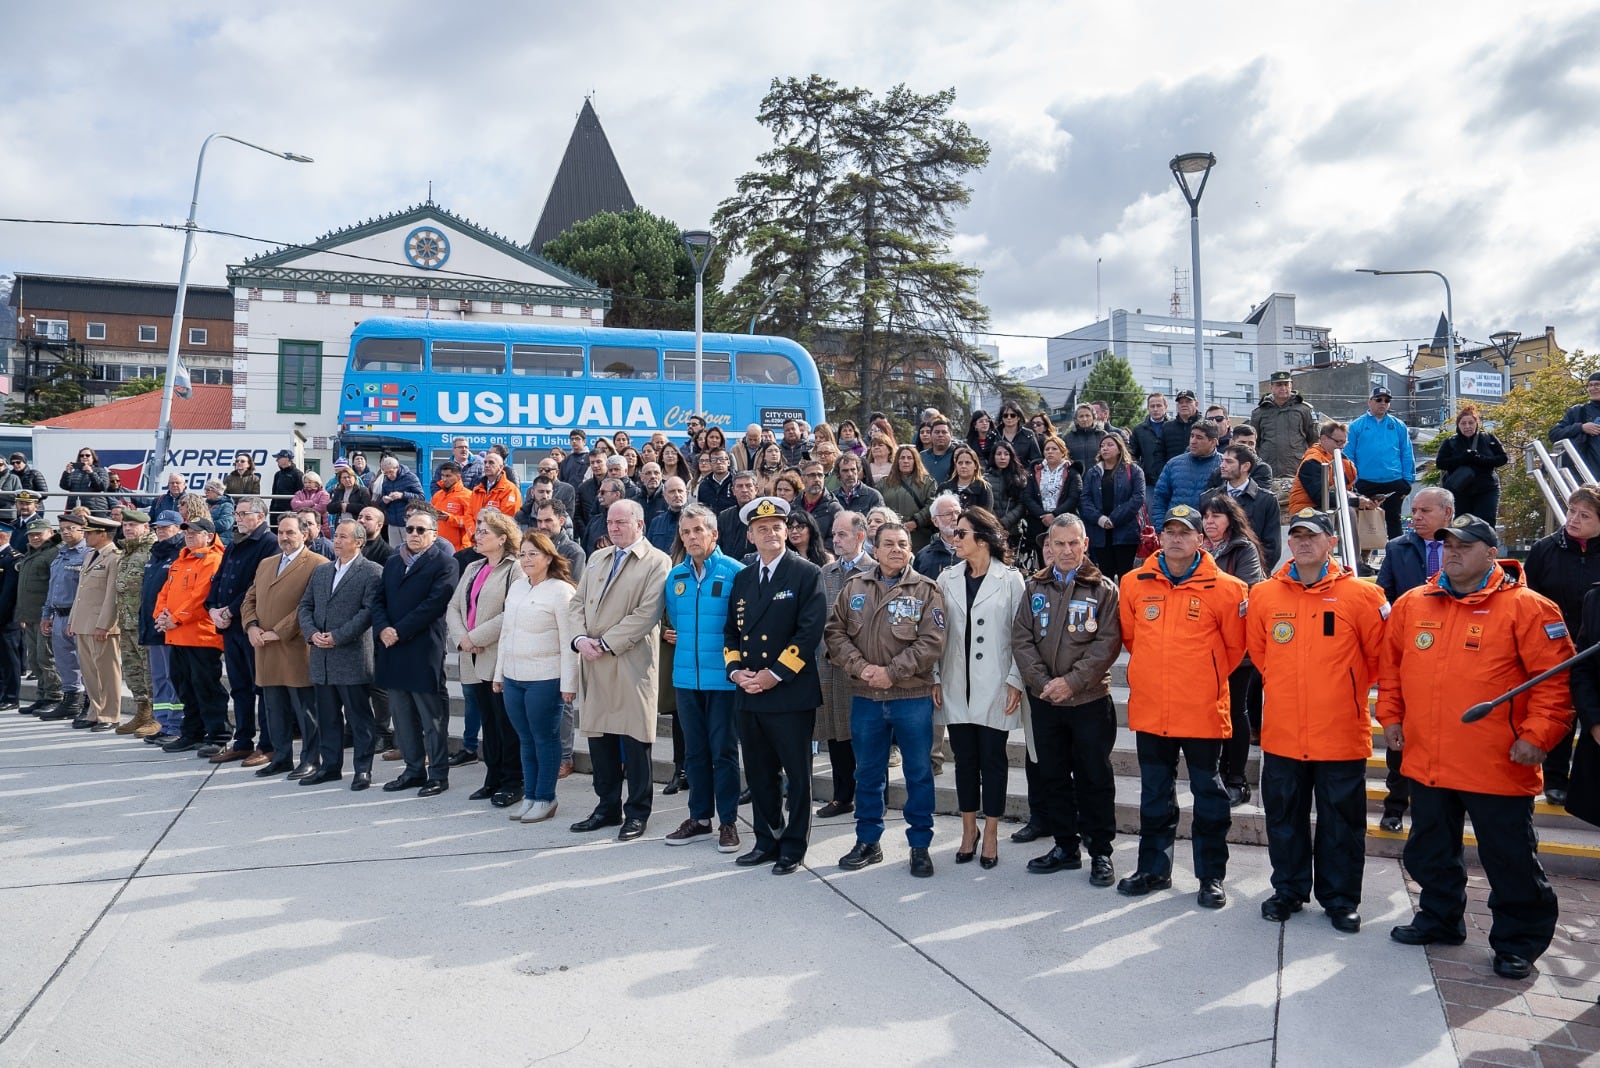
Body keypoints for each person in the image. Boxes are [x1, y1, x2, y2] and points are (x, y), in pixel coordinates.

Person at [1377, 514, 1573, 980]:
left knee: (1509, 860)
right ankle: (1440, 919)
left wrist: (1537, 736)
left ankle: (1517, 943)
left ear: (1491, 552)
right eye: (1448, 546)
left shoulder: (1531, 608)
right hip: (1427, 759)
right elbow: (1391, 669)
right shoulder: (1412, 604)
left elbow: (1556, 686)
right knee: (1430, 850)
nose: (1454, 553)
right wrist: (1391, 718)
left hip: (1498, 761)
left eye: (1465, 546)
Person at [1244, 508, 1387, 932]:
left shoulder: (1362, 595)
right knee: (1283, 818)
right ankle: (1287, 889)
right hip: (1284, 732)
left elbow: (1379, 660)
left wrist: (1340, 688)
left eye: (1313, 536)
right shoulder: (1266, 596)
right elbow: (1260, 654)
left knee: (1341, 823)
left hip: (1339, 731)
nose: (1304, 542)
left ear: (1332, 543)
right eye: (1298, 536)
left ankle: (1340, 899)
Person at [1116, 504, 1247, 906]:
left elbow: (1234, 648)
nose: (1175, 538)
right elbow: (1131, 639)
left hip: (1202, 710)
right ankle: (1154, 869)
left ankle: (1211, 877)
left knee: (1209, 798)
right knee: (1155, 795)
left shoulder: (1227, 588)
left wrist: (1199, 675)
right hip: (1152, 709)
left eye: (1184, 532)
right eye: (1169, 531)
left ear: (1200, 539)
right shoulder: (1134, 582)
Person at [825, 521, 947, 877]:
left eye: (903, 543)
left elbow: (932, 642)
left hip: (911, 696)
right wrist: (862, 668)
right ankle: (868, 841)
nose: (897, 549)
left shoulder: (926, 590)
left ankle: (920, 845)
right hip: (865, 696)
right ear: (874, 550)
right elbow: (835, 632)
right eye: (889, 543)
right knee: (868, 773)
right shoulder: (854, 587)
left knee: (919, 773)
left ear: (911, 550)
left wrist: (891, 672)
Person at [1011, 514, 1123, 883]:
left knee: (1094, 777)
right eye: (1058, 544)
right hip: (1045, 702)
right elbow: (1022, 639)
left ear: (1085, 544)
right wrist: (1044, 683)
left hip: (1088, 701)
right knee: (1052, 775)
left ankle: (1101, 852)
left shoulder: (1103, 589)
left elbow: (1107, 643)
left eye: (1073, 543)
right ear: (1049, 547)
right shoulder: (1034, 588)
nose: (1066, 550)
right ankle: (1065, 846)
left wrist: (1071, 683)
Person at [723, 497, 827, 873]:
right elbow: (731, 634)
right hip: (748, 692)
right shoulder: (743, 577)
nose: (771, 533)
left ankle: (793, 847)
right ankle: (767, 840)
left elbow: (809, 631)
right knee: (759, 773)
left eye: (777, 526)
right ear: (750, 536)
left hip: (788, 692)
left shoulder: (806, 573)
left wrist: (773, 675)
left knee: (797, 777)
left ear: (788, 531)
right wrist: (737, 674)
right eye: (762, 528)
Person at [567, 500, 673, 840]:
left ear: (639, 524)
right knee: (600, 741)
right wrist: (580, 638)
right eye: (610, 522)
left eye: (621, 522)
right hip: (593, 662)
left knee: (635, 740)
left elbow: (647, 613)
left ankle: (637, 812)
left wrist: (605, 643)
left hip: (630, 663)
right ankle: (607, 806)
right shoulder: (598, 557)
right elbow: (575, 605)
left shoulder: (657, 561)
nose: (613, 527)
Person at [934, 506, 1025, 869]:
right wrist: (936, 677)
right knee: (965, 760)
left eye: (961, 533)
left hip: (995, 684)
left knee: (993, 759)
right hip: (957, 682)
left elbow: (1022, 636)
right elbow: (936, 633)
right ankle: (967, 829)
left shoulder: (1011, 579)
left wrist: (1016, 679)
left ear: (983, 538)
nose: (955, 539)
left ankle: (991, 832)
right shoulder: (947, 578)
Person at [658, 504, 746, 851]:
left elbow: (742, 626)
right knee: (693, 753)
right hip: (686, 679)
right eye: (685, 532)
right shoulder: (676, 576)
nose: (691, 537)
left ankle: (728, 822)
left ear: (714, 533)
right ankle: (699, 817)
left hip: (723, 681)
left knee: (723, 753)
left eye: (698, 530)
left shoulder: (735, 572)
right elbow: (676, 623)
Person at [1371, 486, 1454, 831]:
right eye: (1413, 512)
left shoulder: (1463, 547)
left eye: (1424, 511)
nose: (1416, 518)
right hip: (1408, 654)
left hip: (1450, 656)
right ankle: (1394, 807)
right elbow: (1382, 595)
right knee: (1399, 736)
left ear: (1447, 514)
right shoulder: (1397, 547)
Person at [370, 509, 457, 796]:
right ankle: (413, 770)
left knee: (431, 719)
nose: (415, 535)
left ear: (434, 534)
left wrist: (398, 630)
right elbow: (378, 599)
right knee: (403, 717)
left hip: (422, 649)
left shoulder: (444, 563)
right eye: (410, 529)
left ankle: (438, 775)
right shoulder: (394, 562)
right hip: (392, 649)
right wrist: (383, 628)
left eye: (421, 530)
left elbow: (434, 604)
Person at [492, 530, 578, 823]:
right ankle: (530, 795)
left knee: (544, 738)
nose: (527, 560)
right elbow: (506, 633)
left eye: (533, 554)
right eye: (522, 554)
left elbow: (570, 642)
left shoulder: (561, 591)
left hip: (546, 677)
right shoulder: (517, 587)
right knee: (525, 739)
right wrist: (499, 673)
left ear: (548, 557)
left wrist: (569, 684)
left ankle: (546, 797)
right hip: (514, 675)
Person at [1523, 485, 1600, 806]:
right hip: (1552, 646)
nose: (1573, 519)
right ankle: (1555, 777)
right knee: (1558, 710)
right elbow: (1526, 598)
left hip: (1593, 648)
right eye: (1571, 511)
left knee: (1590, 711)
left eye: (1584, 515)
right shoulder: (1545, 549)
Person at [297, 519, 385, 789]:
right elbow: (306, 605)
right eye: (336, 536)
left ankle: (362, 770)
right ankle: (330, 766)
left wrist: (337, 636)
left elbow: (368, 613)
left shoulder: (372, 571)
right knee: (328, 717)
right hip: (322, 657)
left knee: (359, 718)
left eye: (343, 537)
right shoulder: (322, 571)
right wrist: (312, 633)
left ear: (359, 542)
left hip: (351, 656)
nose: (336, 540)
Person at [447, 511, 522, 806]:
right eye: (477, 530)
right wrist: (462, 639)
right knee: (487, 723)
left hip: (496, 656)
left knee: (505, 723)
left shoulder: (514, 568)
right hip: (470, 656)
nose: (477, 535)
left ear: (502, 538)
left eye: (484, 532)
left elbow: (511, 612)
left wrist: (475, 638)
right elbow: (454, 606)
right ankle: (492, 778)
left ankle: (513, 781)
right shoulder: (474, 567)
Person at [241, 514, 323, 777]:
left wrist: (279, 631)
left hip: (295, 648)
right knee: (273, 707)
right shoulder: (266, 563)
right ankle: (281, 756)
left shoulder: (317, 564)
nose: (285, 538)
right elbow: (249, 597)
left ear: (304, 534)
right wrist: (251, 625)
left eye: (290, 532)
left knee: (304, 710)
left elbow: (309, 606)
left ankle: (310, 759)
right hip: (264, 648)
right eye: (281, 533)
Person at [1198, 494, 1267, 806]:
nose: (1210, 521)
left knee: (1236, 711)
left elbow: (1245, 591)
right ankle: (1213, 773)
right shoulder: (1195, 548)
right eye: (1206, 516)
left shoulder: (1243, 548)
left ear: (1231, 519)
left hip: (1238, 647)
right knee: (1208, 712)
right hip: (1202, 646)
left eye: (1217, 516)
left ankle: (1236, 777)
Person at [201, 496, 278, 764]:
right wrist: (212, 608)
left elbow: (257, 585)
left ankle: (268, 744)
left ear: (260, 515)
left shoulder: (269, 544)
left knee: (262, 686)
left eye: (244, 514)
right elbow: (219, 578)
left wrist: (230, 610)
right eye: (237, 513)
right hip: (230, 628)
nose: (238, 518)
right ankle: (243, 741)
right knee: (240, 687)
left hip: (252, 626)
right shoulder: (236, 543)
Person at [155, 517, 230, 752]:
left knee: (206, 687)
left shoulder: (213, 559)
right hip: (177, 635)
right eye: (186, 531)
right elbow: (164, 592)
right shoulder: (180, 560)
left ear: (208, 535)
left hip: (201, 637)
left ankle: (218, 736)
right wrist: (160, 616)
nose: (188, 535)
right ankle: (193, 733)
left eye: (195, 532)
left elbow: (201, 597)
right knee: (185, 687)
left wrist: (174, 619)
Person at [816, 511, 870, 819]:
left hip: (862, 669)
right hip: (830, 666)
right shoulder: (827, 572)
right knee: (837, 734)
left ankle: (869, 796)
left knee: (864, 736)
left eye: (842, 535)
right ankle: (841, 796)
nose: (835, 540)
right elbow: (819, 621)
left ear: (860, 536)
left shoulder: (874, 570)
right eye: (834, 535)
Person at [70, 516, 122, 731]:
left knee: (107, 672)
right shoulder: (91, 554)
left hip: (101, 625)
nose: (85, 536)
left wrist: (105, 625)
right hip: (84, 622)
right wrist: (73, 619)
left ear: (103, 534)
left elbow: (112, 595)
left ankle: (110, 714)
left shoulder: (114, 557)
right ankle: (95, 711)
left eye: (90, 532)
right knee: (89, 671)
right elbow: (81, 592)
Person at [1345, 385, 1415, 541]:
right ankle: (1360, 561)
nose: (1382, 403)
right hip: (1365, 483)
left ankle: (1397, 558)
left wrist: (1408, 480)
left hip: (1393, 481)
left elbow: (1407, 453)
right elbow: (1348, 455)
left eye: (1387, 400)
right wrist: (1353, 481)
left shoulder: (1398, 425)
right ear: (1370, 402)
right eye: (1379, 399)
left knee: (1394, 521)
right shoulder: (1356, 426)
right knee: (1362, 521)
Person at [39, 513, 89, 724]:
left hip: (77, 616)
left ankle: (89, 702)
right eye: (63, 529)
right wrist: (46, 614)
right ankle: (70, 701)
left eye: (70, 528)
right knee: (65, 662)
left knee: (85, 663)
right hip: (58, 615)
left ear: (82, 530)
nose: (66, 532)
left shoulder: (88, 554)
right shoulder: (61, 554)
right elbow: (53, 588)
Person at [1202, 444, 1282, 573]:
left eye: (1229, 462)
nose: (1222, 465)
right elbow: (1202, 539)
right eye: (1223, 461)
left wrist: (1254, 570)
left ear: (1245, 466)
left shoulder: (1266, 500)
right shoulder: (1208, 498)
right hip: (1213, 573)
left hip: (1252, 574)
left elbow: (1272, 546)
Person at [1080, 432, 1145, 583]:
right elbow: (1085, 499)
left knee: (1126, 576)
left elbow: (1138, 498)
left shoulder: (1134, 470)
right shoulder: (1093, 472)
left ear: (1119, 448)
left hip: (1125, 533)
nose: (1105, 448)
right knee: (1104, 576)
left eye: (1110, 445)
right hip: (1100, 533)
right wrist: (1100, 519)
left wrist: (1114, 519)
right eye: (1102, 446)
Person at [17, 519, 62, 718]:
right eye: (31, 535)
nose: (35, 537)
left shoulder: (53, 553)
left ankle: (54, 697)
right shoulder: (33, 553)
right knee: (34, 659)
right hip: (31, 616)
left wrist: (49, 614)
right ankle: (42, 695)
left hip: (46, 616)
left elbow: (55, 587)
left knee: (47, 658)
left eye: (39, 534)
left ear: (50, 533)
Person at [1435, 405, 1508, 525]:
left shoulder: (1488, 438)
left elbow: (1503, 458)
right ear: (1458, 425)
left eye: (1470, 423)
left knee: (1485, 524)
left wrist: (1480, 459)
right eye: (1463, 423)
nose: (1467, 426)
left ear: (1476, 423)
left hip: (1487, 488)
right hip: (1460, 490)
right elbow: (1440, 463)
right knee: (1461, 526)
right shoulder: (1450, 442)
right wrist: (1462, 459)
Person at [1150, 419, 1223, 526]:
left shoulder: (1224, 466)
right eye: (1192, 436)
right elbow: (1159, 499)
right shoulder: (1174, 464)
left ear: (1213, 442)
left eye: (1199, 438)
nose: (1193, 441)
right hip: (1175, 529)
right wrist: (1161, 528)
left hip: (1210, 533)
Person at [1251, 370, 1317, 481]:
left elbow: (1314, 439)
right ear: (1271, 387)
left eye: (1286, 384)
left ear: (1291, 386)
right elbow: (1254, 441)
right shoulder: (1259, 412)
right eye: (1279, 385)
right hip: (1268, 469)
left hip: (1296, 468)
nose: (1283, 388)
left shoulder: (1304, 409)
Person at [986, 440, 1042, 567]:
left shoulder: (1020, 478)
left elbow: (1022, 505)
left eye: (1006, 454)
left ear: (1011, 456)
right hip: (991, 531)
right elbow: (985, 505)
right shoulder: (985, 478)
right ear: (993, 456)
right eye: (998, 454)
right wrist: (996, 525)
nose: (1002, 457)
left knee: (1011, 567)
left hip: (1013, 531)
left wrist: (1005, 523)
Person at [1287, 420, 1360, 516]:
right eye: (1338, 442)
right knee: (1349, 512)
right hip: (1305, 511)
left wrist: (1365, 500)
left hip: (1328, 507)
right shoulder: (1312, 462)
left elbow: (1350, 490)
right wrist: (1356, 501)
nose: (1342, 447)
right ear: (1323, 439)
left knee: (1364, 510)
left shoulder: (1342, 461)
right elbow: (1320, 497)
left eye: (1344, 442)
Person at [879, 445, 938, 552]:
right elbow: (877, 506)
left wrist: (916, 521)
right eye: (902, 458)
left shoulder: (928, 482)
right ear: (897, 461)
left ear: (915, 461)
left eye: (909, 458)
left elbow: (933, 504)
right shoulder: (884, 483)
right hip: (891, 534)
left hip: (919, 536)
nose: (906, 461)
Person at [1548, 369, 1600, 480]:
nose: (1592, 388)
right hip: (1585, 474)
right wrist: (1581, 427)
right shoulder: (1578, 411)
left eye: (1597, 385)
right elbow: (1554, 434)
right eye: (1589, 385)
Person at [370, 455, 424, 547]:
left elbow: (421, 497)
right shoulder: (386, 481)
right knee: (394, 551)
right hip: (392, 523)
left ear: (397, 467)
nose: (389, 476)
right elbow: (382, 504)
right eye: (386, 473)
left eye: (391, 472)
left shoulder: (410, 477)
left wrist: (402, 495)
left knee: (411, 549)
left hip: (408, 522)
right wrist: (384, 501)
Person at [1033, 434, 1083, 531]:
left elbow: (1074, 497)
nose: (1050, 452)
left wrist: (1054, 515)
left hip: (1065, 523)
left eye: (1054, 449)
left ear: (1063, 452)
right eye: (1047, 449)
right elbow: (1028, 497)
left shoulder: (1072, 472)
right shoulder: (1035, 471)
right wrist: (1043, 515)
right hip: (1039, 522)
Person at [914, 493, 963, 579]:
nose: (955, 518)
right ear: (935, 521)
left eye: (957, 513)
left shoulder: (974, 551)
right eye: (948, 514)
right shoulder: (923, 556)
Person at [428, 460, 474, 551]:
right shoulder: (438, 495)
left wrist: (449, 518)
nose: (444, 479)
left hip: (457, 549)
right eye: (443, 475)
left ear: (458, 476)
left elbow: (472, 522)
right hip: (437, 546)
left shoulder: (468, 496)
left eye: (448, 476)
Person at [796, 460, 842, 542]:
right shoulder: (794, 505)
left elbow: (839, 537)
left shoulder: (833, 508)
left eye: (820, 475)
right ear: (802, 479)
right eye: (812, 475)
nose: (817, 479)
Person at [1129, 393, 1170, 486]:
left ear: (1166, 406)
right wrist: (1141, 469)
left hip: (1170, 479)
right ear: (1148, 408)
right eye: (1152, 406)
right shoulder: (1138, 430)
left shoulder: (1173, 427)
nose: (1155, 409)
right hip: (1148, 481)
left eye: (1159, 405)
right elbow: (1131, 454)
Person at [940, 445, 993, 513]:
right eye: (960, 463)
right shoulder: (944, 487)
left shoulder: (984, 488)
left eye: (968, 463)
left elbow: (985, 516)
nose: (963, 466)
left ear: (975, 466)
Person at [59, 447, 110, 515]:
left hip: (95, 509)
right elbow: (64, 486)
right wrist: (67, 473)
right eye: (81, 455)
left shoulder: (100, 470)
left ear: (93, 458)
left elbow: (102, 487)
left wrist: (91, 473)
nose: (84, 457)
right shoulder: (74, 472)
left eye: (87, 455)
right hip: (75, 508)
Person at [994, 402, 1042, 470]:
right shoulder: (994, 434)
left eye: (1012, 415)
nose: (1009, 418)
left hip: (1023, 476)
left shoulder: (1028, 434)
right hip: (999, 476)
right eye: (1005, 415)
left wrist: (1029, 473)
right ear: (1002, 418)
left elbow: (1037, 459)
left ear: (1018, 417)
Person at [326, 462, 372, 533]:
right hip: (341, 523)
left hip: (357, 524)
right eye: (344, 478)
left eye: (349, 477)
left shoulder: (362, 491)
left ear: (354, 478)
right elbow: (330, 508)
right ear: (340, 480)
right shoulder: (339, 491)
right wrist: (340, 505)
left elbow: (366, 508)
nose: (347, 479)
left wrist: (348, 507)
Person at [1062, 404, 1106, 472]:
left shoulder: (1103, 435)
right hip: (1076, 478)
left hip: (1099, 477)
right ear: (1076, 420)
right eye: (1081, 416)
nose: (1084, 419)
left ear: (1094, 418)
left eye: (1087, 416)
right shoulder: (1067, 438)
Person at [919, 416, 957, 486]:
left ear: (951, 434)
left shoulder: (958, 455)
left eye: (944, 432)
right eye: (937, 432)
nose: (940, 435)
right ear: (931, 434)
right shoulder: (922, 456)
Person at [269, 449, 303, 523]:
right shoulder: (278, 474)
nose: (277, 460)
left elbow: (301, 494)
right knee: (275, 532)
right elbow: (274, 494)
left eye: (279, 458)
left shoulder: (297, 474)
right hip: (276, 512)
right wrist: (271, 510)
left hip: (290, 512)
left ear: (287, 459)